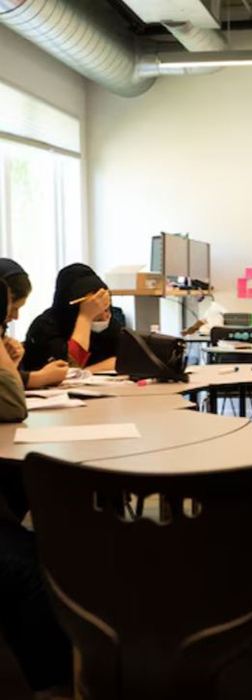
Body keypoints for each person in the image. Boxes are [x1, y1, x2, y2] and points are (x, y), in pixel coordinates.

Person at [0, 278, 73, 699]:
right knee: (38, 563)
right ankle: (52, 684)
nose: (14, 318)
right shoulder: (50, 324)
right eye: (8, 309)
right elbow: (13, 402)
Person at [23, 263, 122, 373]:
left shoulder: (112, 325)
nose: (106, 317)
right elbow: (69, 367)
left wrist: (85, 372)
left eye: (106, 309)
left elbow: (125, 360)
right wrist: (85, 318)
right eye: (97, 316)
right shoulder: (45, 327)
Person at [0, 259, 69, 389]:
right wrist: (42, 377)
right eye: (12, 309)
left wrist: (12, 362)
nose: (15, 317)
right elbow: (8, 387)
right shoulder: (46, 325)